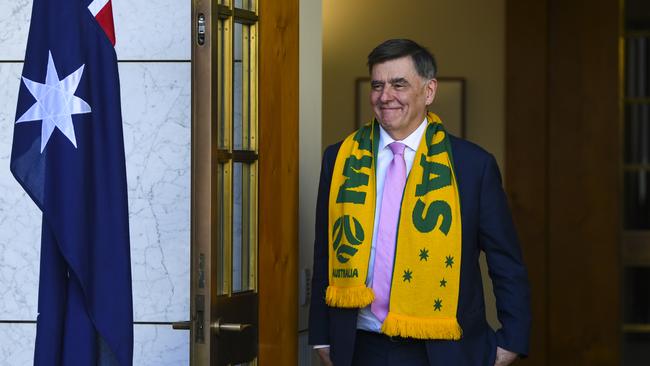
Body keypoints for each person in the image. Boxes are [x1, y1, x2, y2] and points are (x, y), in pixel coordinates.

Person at [308, 39, 530, 366]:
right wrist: (320, 336)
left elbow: (505, 261)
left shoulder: (472, 166)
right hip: (359, 346)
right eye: (378, 85)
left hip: (443, 349)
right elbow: (325, 250)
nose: (386, 96)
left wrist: (512, 340)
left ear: (429, 91)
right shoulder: (340, 159)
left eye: (399, 84)